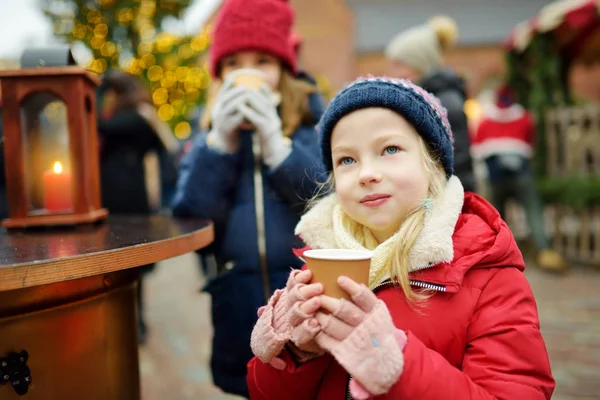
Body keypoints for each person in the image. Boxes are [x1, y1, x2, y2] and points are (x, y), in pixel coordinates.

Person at [247, 77, 555, 399]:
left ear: (432, 162)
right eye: (347, 160)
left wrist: (398, 366)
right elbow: (260, 391)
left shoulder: (489, 277)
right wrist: (294, 353)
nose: (367, 173)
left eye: (390, 149)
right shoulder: (320, 259)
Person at [171, 0, 324, 396]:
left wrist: (278, 146)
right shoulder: (207, 141)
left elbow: (325, 202)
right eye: (234, 62)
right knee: (250, 384)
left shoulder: (311, 130)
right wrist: (219, 145)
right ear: (219, 75)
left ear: (285, 71)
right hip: (238, 305)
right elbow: (191, 215)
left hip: (302, 303)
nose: (247, 74)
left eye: (262, 61)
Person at [97, 70, 178, 344]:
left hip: (125, 201)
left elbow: (100, 126)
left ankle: (134, 321)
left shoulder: (135, 117)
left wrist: (98, 90)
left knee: (129, 263)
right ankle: (132, 320)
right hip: (129, 199)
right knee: (127, 264)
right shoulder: (139, 116)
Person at [473, 85, 567, 274]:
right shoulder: (524, 118)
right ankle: (544, 250)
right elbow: (530, 143)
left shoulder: (485, 121)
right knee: (533, 212)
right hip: (521, 173)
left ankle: (500, 255)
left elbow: (477, 149)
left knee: (497, 218)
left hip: (496, 176)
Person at [385, 16, 476, 193]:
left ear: (420, 63)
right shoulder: (424, 99)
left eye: (399, 64)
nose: (393, 73)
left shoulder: (445, 103)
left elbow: (458, 164)